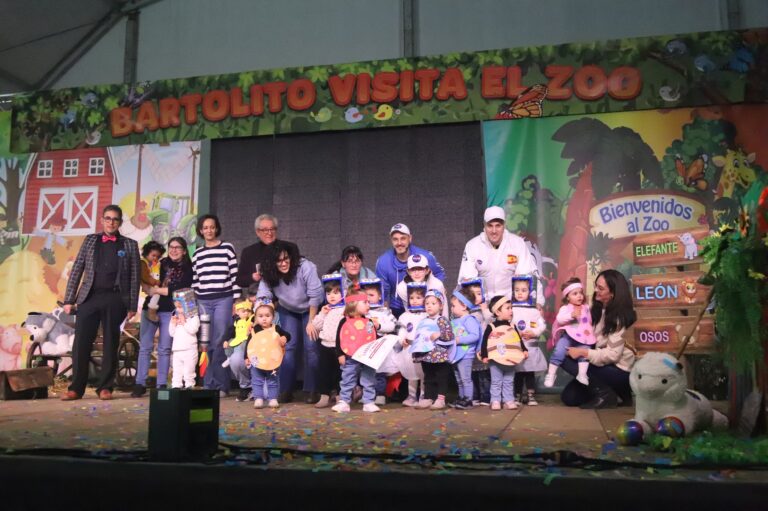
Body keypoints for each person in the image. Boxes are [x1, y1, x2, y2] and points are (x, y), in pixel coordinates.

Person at [61, 205, 140, 401]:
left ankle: (105, 387)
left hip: (115, 298)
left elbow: (134, 277)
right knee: (81, 342)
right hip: (89, 297)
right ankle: (76, 388)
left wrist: (132, 305)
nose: (111, 222)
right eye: (108, 218)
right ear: (102, 220)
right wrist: (69, 299)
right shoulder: (90, 240)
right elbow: (77, 268)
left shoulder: (129, 244)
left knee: (111, 343)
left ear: (120, 222)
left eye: (115, 219)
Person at [559, 269, 637, 409]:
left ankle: (605, 394)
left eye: (600, 288)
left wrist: (583, 353)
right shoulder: (596, 309)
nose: (595, 290)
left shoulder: (620, 317)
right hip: (601, 365)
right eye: (596, 286)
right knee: (569, 397)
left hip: (619, 370)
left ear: (613, 293)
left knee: (561, 357)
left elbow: (612, 355)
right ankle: (617, 393)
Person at [257, 241, 324, 403]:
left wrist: (311, 321)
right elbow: (263, 296)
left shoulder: (306, 267)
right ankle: (286, 389)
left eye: (286, 258)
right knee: (288, 346)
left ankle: (312, 390)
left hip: (310, 308)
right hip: (288, 309)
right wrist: (262, 316)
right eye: (279, 261)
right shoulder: (268, 272)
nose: (283, 263)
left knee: (311, 347)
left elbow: (316, 295)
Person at [132, 237, 194, 397]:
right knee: (145, 347)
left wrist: (157, 290)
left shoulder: (188, 268)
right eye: (171, 247)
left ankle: (161, 384)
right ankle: (140, 383)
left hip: (170, 310)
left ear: (184, 250)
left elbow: (179, 290)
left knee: (165, 349)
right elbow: (145, 279)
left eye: (178, 247)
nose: (174, 250)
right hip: (150, 308)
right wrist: (148, 287)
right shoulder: (161, 262)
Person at [192, 214, 240, 397]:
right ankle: (208, 383)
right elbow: (195, 281)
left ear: (217, 228)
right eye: (205, 227)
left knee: (220, 340)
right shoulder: (197, 253)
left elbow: (234, 275)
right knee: (206, 342)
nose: (209, 230)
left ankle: (221, 385)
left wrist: (236, 300)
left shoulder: (227, 248)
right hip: (203, 301)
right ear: (200, 230)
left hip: (223, 299)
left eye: (212, 227)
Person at [458, 206, 543, 306]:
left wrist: (538, 302)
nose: (494, 231)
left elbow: (530, 276)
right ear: (484, 226)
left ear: (504, 225)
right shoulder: (472, 246)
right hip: (483, 305)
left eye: (498, 226)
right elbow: (466, 280)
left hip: (511, 305)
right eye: (490, 226)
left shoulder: (517, 244)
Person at [375, 223, 445, 317]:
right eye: (395, 239)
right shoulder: (383, 261)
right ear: (391, 240)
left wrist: (434, 294)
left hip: (425, 304)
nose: (399, 243)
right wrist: (384, 315)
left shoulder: (426, 256)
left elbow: (439, 274)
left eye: (403, 238)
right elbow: (383, 291)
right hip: (396, 306)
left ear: (410, 238)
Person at [332, 292, 380, 413]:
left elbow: (373, 337)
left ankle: (369, 402)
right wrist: (340, 354)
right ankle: (344, 401)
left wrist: (377, 327)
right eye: (365, 302)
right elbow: (339, 338)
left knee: (369, 378)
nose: (368, 305)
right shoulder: (344, 321)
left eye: (368, 302)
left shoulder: (369, 321)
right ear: (353, 304)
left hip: (367, 357)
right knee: (347, 378)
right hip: (349, 356)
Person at [545, 277, 596, 388]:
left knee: (585, 351)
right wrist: (571, 315)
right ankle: (551, 374)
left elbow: (589, 320)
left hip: (583, 336)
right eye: (575, 294)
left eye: (581, 293)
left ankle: (582, 374)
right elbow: (559, 319)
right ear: (567, 297)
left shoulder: (586, 308)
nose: (579, 296)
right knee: (559, 351)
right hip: (568, 335)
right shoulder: (565, 308)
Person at [480, 295, 528, 411]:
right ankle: (495, 400)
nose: (511, 311)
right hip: (495, 360)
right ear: (497, 312)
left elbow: (518, 340)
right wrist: (485, 355)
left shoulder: (512, 326)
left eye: (511, 308)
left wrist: (524, 349)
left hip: (511, 359)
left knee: (509, 381)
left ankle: (508, 400)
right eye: (508, 308)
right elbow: (485, 342)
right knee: (496, 381)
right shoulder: (491, 327)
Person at [412, 290, 455, 410]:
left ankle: (440, 399)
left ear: (441, 306)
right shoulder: (423, 321)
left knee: (441, 376)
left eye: (433, 303)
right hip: (426, 355)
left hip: (440, 354)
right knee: (428, 376)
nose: (429, 306)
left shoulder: (442, 320)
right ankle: (428, 397)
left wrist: (439, 334)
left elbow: (449, 335)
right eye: (427, 303)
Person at [235, 214, 298, 293]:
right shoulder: (248, 252)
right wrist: (253, 277)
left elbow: (298, 274)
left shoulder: (290, 247)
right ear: (257, 232)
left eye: (272, 229)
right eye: (265, 230)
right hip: (260, 295)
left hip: (287, 294)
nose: (269, 233)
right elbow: (240, 281)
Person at [510, 277, 547, 406]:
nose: (520, 293)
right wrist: (515, 334)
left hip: (531, 347)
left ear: (530, 292)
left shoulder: (534, 310)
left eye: (524, 290)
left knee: (530, 372)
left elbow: (542, 325)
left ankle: (531, 395)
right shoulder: (511, 309)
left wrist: (534, 333)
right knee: (518, 373)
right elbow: (508, 325)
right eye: (517, 290)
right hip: (517, 347)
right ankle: (517, 395)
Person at [310, 276, 346, 408]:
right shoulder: (325, 309)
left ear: (343, 293)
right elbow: (316, 325)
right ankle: (324, 396)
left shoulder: (345, 310)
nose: (332, 296)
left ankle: (340, 397)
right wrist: (322, 314)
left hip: (340, 347)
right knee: (324, 372)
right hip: (325, 346)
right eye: (329, 293)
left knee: (340, 373)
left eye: (336, 293)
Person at [360, 278, 397, 406]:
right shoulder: (362, 312)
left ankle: (380, 395)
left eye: (371, 295)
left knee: (380, 372)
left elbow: (393, 325)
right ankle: (367, 394)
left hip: (380, 346)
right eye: (365, 296)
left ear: (380, 296)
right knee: (367, 371)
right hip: (366, 346)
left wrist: (379, 326)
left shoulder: (385, 311)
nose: (368, 298)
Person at [246, 303, 290, 409]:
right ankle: (258, 398)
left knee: (273, 380)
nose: (264, 319)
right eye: (260, 316)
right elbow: (248, 345)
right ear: (256, 318)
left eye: (267, 316)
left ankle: (273, 399)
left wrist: (284, 338)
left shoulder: (276, 328)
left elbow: (288, 335)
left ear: (273, 317)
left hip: (273, 361)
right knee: (257, 380)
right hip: (256, 360)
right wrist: (246, 357)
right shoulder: (254, 330)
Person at [395, 283, 427, 407]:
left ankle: (423, 395)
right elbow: (402, 330)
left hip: (423, 349)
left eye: (418, 297)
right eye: (412, 298)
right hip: (408, 349)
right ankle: (411, 395)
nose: (414, 300)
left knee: (423, 373)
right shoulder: (405, 316)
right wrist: (401, 339)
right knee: (411, 373)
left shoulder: (427, 315)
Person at [449, 288, 482, 410]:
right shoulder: (456, 321)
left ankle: (468, 399)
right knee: (459, 379)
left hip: (466, 354)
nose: (451, 308)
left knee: (465, 378)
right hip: (456, 354)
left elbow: (475, 335)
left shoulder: (469, 319)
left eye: (453, 306)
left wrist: (459, 340)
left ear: (464, 306)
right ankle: (461, 397)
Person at [222, 300, 256, 402]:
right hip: (239, 342)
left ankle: (256, 388)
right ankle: (246, 387)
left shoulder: (253, 318)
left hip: (253, 343)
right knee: (234, 356)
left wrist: (253, 324)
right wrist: (225, 340)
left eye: (248, 311)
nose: (246, 313)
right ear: (237, 312)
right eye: (243, 311)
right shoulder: (236, 321)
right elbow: (231, 332)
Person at [169, 298, 200, 390]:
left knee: (188, 372)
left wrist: (184, 322)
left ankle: (189, 386)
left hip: (189, 350)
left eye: (180, 307)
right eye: (176, 307)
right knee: (177, 371)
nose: (178, 310)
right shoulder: (176, 317)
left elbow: (193, 330)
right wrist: (173, 324)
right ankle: (176, 386)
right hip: (177, 350)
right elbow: (171, 333)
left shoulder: (194, 317)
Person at [140, 241, 165, 322]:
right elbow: (145, 277)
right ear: (146, 253)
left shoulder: (153, 264)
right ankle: (151, 310)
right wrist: (156, 282)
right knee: (157, 294)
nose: (155, 258)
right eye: (153, 255)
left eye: (158, 256)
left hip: (150, 285)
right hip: (147, 286)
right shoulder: (143, 263)